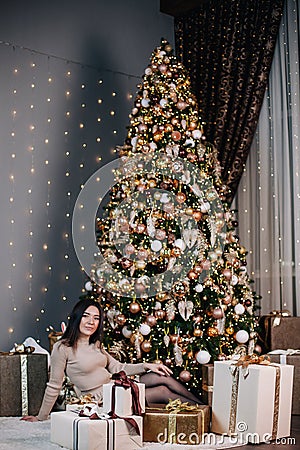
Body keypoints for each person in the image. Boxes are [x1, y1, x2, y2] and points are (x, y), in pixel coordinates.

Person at [22, 298, 201, 422]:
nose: (91, 322)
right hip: (102, 399)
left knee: (160, 376)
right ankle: (204, 413)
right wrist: (41, 417)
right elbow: (54, 385)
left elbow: (117, 366)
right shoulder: (62, 348)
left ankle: (203, 410)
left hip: (116, 385)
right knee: (162, 391)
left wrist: (146, 365)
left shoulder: (95, 343)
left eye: (96, 318)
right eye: (86, 316)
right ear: (76, 318)